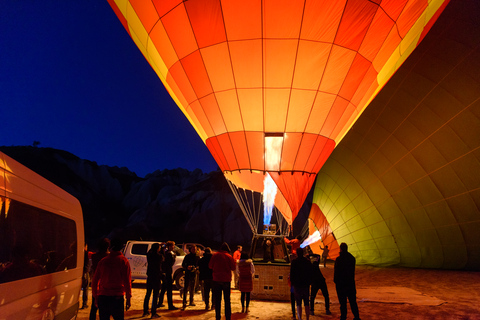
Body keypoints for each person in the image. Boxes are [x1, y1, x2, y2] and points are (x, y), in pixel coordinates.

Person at [91, 238, 132, 320]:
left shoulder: (103, 261)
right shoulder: (123, 261)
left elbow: (95, 281)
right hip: (117, 297)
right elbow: (127, 281)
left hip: (103, 297)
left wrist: (95, 296)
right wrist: (128, 298)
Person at [209, 242, 236, 320]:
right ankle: (228, 317)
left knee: (217, 300)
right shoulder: (229, 256)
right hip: (226, 280)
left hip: (216, 279)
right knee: (227, 300)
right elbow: (233, 267)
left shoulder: (215, 255)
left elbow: (210, 266)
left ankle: (218, 317)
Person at [334, 243, 360, 320]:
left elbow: (336, 273)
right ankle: (357, 317)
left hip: (341, 285)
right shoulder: (352, 258)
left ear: (341, 249)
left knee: (343, 303)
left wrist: (336, 282)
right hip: (350, 284)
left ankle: (343, 317)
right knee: (353, 302)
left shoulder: (338, 259)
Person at [290, 247, 313, 320]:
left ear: (296, 253)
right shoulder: (307, 261)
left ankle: (300, 318)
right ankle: (307, 318)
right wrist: (309, 282)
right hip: (305, 285)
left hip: (297, 285)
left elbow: (292, 274)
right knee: (306, 302)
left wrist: (292, 283)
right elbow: (310, 273)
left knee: (298, 303)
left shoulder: (294, 262)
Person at [89, 238, 110, 320]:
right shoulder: (109, 257)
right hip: (106, 283)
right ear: (108, 246)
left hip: (96, 281)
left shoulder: (94, 256)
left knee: (93, 306)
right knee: (105, 308)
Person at [143, 243, 164, 318]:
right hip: (156, 277)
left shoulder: (149, 255)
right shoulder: (159, 256)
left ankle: (145, 311)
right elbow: (162, 259)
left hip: (150, 276)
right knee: (155, 295)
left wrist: (156, 246)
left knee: (148, 294)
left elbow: (149, 252)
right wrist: (162, 249)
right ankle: (153, 312)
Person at [158, 241, 178, 310]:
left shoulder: (166, 253)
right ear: (169, 246)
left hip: (166, 273)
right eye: (172, 246)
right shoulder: (168, 254)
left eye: (173, 246)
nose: (173, 247)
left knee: (164, 288)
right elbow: (170, 263)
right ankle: (170, 305)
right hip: (167, 273)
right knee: (169, 290)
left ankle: (160, 302)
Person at [182, 244, 199, 309]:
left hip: (194, 274)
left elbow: (199, 265)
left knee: (192, 288)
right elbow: (183, 264)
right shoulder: (187, 256)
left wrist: (195, 268)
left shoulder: (197, 257)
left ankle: (191, 301)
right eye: (192, 249)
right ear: (190, 249)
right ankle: (184, 301)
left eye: (195, 249)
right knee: (186, 288)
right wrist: (187, 267)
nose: (194, 250)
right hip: (187, 274)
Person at [81, 243, 91, 309]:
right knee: (85, 288)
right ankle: (84, 304)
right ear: (85, 246)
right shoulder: (87, 253)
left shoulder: (76, 253)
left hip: (78, 273)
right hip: (85, 273)